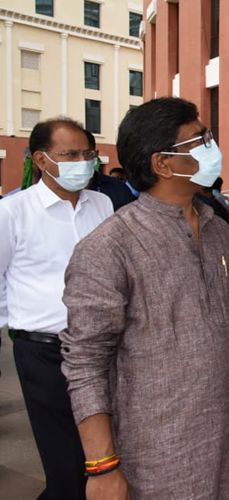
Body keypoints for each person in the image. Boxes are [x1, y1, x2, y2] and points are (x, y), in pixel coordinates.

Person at [60, 98, 229, 499]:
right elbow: (85, 363)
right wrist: (102, 467)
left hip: (225, 432)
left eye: (209, 136)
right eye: (199, 140)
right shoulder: (110, 246)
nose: (211, 147)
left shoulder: (219, 230)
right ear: (162, 165)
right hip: (158, 447)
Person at [0, 117, 113, 499]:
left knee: (103, 455)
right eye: (71, 154)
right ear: (42, 159)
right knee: (65, 465)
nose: (83, 162)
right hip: (45, 353)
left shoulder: (103, 204)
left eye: (88, 154)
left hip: (102, 349)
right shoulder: (13, 211)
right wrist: (20, 324)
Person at [86, 132, 137, 211]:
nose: (81, 159)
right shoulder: (61, 192)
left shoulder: (119, 190)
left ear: (96, 154)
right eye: (71, 154)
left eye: (87, 153)